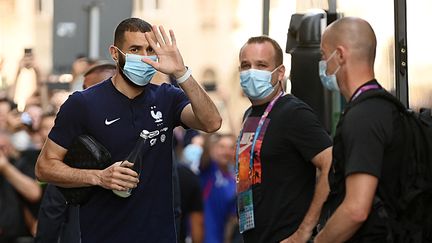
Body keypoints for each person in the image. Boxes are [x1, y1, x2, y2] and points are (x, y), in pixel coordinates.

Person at [35, 17, 221, 243]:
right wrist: (99, 177)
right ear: (115, 53)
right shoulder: (82, 104)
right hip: (102, 235)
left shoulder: (167, 97)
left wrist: (181, 72)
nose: (144, 57)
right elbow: (44, 167)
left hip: (159, 236)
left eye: (150, 50)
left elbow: (212, 123)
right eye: (135, 49)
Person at [314, 17, 406, 243]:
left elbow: (356, 209)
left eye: (324, 57)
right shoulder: (387, 107)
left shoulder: (364, 117)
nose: (324, 65)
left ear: (341, 55)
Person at [236, 36, 332, 243]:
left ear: (280, 72)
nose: (252, 71)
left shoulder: (294, 113)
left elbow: (331, 163)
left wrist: (304, 232)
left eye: (261, 65)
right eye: (246, 65)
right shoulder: (249, 115)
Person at [199, 133, 237, 243]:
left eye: (231, 148)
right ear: (213, 149)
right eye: (222, 147)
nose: (226, 151)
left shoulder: (234, 180)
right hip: (202, 237)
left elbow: (232, 217)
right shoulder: (208, 170)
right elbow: (206, 150)